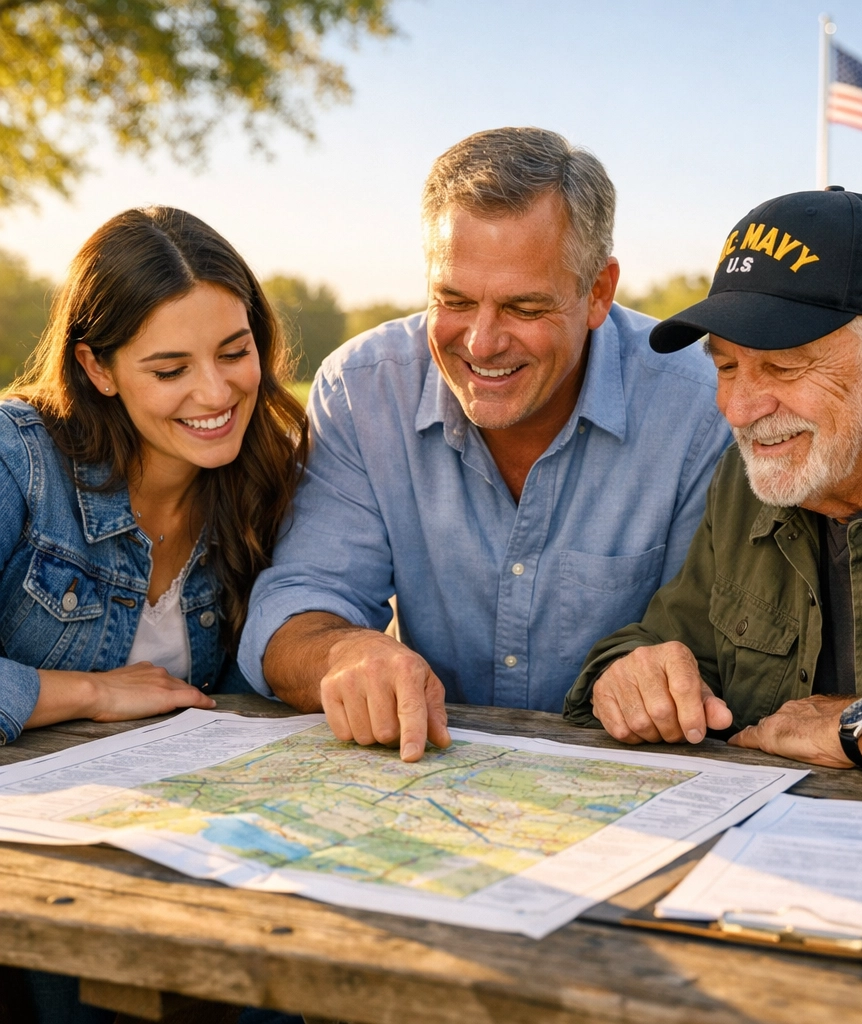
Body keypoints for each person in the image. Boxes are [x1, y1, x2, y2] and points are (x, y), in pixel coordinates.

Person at [239, 127, 732, 761]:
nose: (481, 343)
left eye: (524, 308)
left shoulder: (700, 404)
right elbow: (296, 604)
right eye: (454, 299)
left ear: (598, 293)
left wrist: (665, 673)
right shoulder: (362, 390)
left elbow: (713, 644)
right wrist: (343, 652)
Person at [565, 186, 862, 817]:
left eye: (783, 368)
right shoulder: (757, 476)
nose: (739, 410)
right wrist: (628, 674)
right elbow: (673, 645)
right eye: (727, 368)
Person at [0, 207, 307, 1023]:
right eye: (170, 369)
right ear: (97, 368)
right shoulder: (16, 462)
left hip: (187, 843)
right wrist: (90, 693)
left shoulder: (263, 480)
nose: (216, 393)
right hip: (32, 864)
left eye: (234, 352)